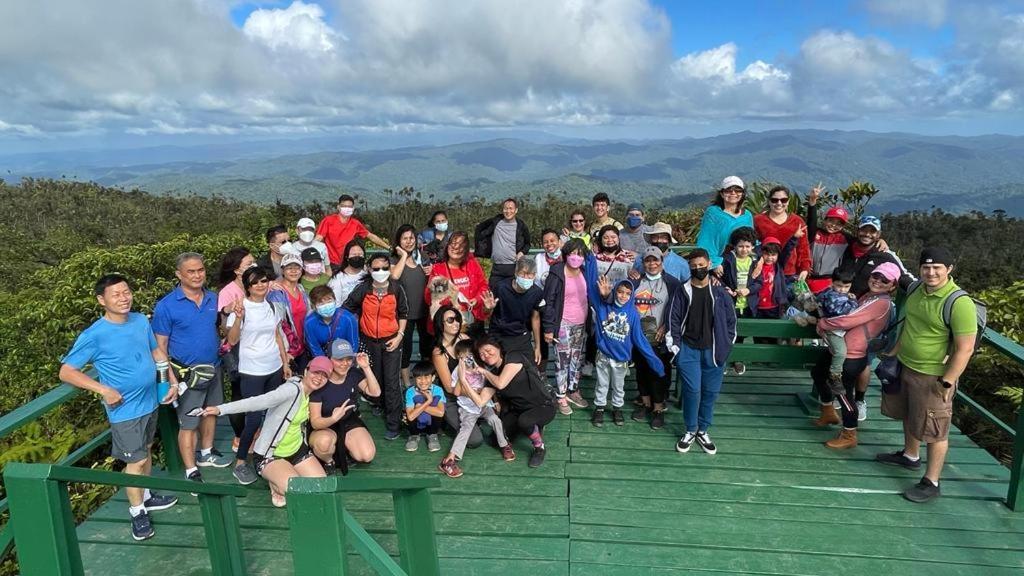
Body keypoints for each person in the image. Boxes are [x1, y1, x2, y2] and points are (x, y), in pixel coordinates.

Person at [59, 274, 179, 541]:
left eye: (126, 292)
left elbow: (156, 353)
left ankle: (146, 494)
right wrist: (103, 389)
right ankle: (137, 512)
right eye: (116, 294)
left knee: (146, 450)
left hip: (150, 401)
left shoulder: (138, 321)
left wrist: (170, 379)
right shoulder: (94, 334)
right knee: (135, 461)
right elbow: (67, 372)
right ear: (102, 300)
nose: (124, 298)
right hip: (124, 409)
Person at [876, 247, 977, 503]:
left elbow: (965, 348)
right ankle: (910, 456)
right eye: (926, 268)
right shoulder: (916, 290)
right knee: (910, 413)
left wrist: (948, 380)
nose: (931, 273)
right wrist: (895, 353)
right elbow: (911, 324)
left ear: (949, 269)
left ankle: (932, 481)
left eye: (937, 268)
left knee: (935, 428)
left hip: (935, 375)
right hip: (907, 365)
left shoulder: (959, 302)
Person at [201, 356, 333, 508]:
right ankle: (275, 483)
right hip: (271, 454)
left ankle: (282, 477)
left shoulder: (310, 394)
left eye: (324, 375)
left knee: (322, 488)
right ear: (306, 371)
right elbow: (258, 401)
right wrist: (221, 409)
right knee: (298, 491)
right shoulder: (290, 390)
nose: (319, 378)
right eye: (316, 372)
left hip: (297, 450)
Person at [151, 253, 232, 492]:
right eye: (191, 271)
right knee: (188, 422)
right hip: (186, 372)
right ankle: (190, 467)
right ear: (179, 274)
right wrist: (172, 380)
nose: (197, 275)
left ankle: (207, 451)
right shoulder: (166, 306)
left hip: (213, 367)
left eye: (201, 270)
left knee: (211, 411)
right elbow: (160, 346)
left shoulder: (212, 298)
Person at [810, 263, 898, 449]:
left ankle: (849, 433)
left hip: (852, 354)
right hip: (841, 349)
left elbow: (848, 320)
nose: (878, 281)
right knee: (818, 373)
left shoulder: (881, 302)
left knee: (843, 394)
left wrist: (823, 323)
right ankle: (828, 412)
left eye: (885, 280)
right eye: (876, 276)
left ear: (893, 285)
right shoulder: (867, 297)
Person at [224, 266, 292, 485]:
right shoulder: (240, 307)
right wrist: (237, 318)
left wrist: (284, 362)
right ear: (247, 286)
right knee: (253, 419)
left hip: (273, 367)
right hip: (251, 371)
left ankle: (268, 453)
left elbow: (277, 335)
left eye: (263, 281)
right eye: (255, 283)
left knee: (274, 413)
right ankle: (241, 462)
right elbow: (232, 340)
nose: (260, 286)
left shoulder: (272, 306)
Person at [583, 250, 665, 428]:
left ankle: (617, 408)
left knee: (618, 387)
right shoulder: (604, 305)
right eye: (620, 292)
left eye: (627, 293)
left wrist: (655, 361)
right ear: (615, 291)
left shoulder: (633, 314)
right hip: (604, 355)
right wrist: (590, 260)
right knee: (602, 384)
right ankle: (599, 408)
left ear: (631, 295)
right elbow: (591, 287)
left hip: (621, 358)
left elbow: (640, 340)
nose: (623, 296)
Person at [670, 248, 737, 455]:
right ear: (689, 267)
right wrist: (676, 349)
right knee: (692, 391)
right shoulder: (682, 290)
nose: (698, 269)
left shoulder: (719, 291)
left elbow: (731, 321)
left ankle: (703, 430)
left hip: (714, 350)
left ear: (708, 265)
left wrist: (727, 346)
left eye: (702, 265)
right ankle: (690, 430)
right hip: (688, 349)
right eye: (694, 266)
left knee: (710, 393)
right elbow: (673, 319)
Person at [343, 253, 409, 441]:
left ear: (390, 269)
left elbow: (403, 313)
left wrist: (399, 336)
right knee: (375, 375)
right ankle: (378, 403)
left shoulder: (396, 288)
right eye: (376, 268)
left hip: (391, 340)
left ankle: (394, 423)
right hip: (369, 341)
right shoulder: (363, 289)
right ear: (369, 269)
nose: (380, 272)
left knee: (391, 381)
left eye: (385, 268)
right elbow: (347, 308)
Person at [474, 337, 557, 468]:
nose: (486, 356)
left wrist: (483, 371)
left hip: (543, 406)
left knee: (525, 421)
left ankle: (539, 447)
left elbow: (500, 383)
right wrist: (463, 379)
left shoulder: (513, 357)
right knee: (496, 440)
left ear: (498, 348)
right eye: (481, 354)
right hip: (519, 410)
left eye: (488, 350)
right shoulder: (492, 375)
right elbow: (481, 401)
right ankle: (531, 428)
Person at [437, 340, 516, 478]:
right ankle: (449, 460)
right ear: (458, 358)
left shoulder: (481, 368)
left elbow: (491, 385)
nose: (466, 360)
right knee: (465, 430)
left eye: (468, 356)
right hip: (467, 408)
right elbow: (455, 392)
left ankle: (504, 445)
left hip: (484, 405)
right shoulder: (457, 371)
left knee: (495, 420)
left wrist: (495, 401)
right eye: (461, 357)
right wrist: (462, 376)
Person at [308, 339, 379, 474]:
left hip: (348, 420)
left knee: (366, 455)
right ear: (330, 359)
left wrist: (366, 367)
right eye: (339, 359)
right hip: (325, 424)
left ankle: (345, 447)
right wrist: (333, 418)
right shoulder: (320, 381)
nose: (344, 364)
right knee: (323, 444)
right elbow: (315, 422)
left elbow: (375, 392)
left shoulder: (353, 374)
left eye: (348, 359)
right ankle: (329, 461)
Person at [628, 247, 680, 430]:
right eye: (648, 261)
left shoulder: (672, 283)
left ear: (662, 262)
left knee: (658, 372)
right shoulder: (635, 281)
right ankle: (646, 403)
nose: (652, 264)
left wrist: (666, 325)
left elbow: (677, 308)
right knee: (641, 370)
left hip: (660, 336)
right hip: (638, 335)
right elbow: (624, 301)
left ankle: (659, 408)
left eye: (655, 260)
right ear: (643, 263)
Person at [542, 239, 591, 415]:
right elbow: (548, 303)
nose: (576, 257)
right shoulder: (556, 273)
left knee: (576, 358)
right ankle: (561, 395)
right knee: (562, 360)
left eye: (580, 254)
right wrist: (548, 328)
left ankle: (573, 389)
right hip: (562, 323)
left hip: (581, 323)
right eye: (572, 253)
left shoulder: (585, 272)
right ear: (565, 255)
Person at [214, 247, 254, 453]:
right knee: (239, 393)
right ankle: (239, 437)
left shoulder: (255, 284)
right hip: (237, 349)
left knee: (255, 392)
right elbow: (224, 325)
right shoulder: (228, 292)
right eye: (249, 264)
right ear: (237, 270)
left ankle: (254, 432)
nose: (253, 266)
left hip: (256, 348)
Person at [431, 305, 488, 449]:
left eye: (457, 319)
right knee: (475, 440)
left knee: (499, 421)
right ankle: (447, 421)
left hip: (474, 390)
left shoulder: (465, 338)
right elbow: (450, 388)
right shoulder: (439, 352)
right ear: (440, 324)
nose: (456, 323)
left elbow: (480, 365)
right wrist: (476, 394)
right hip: (453, 398)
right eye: (450, 320)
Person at [392, 224, 434, 388]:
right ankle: (407, 382)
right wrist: (403, 256)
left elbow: (432, 279)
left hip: (424, 310)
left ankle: (426, 379)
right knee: (406, 348)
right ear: (399, 241)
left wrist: (432, 271)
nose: (409, 241)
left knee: (426, 347)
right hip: (404, 314)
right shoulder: (394, 259)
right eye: (405, 238)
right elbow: (394, 277)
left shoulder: (423, 257)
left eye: (411, 238)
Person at [425, 232, 490, 335]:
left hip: (471, 321)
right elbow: (428, 298)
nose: (456, 247)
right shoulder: (438, 269)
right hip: (448, 323)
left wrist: (477, 299)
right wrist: (450, 296)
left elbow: (483, 286)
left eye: (461, 245)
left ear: (466, 249)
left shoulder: (473, 264)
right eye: (453, 243)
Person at [838, 215, 912, 297]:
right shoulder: (846, 245)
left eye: (872, 231)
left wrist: (919, 290)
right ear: (857, 230)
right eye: (863, 230)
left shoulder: (884, 254)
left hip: (866, 305)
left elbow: (904, 277)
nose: (867, 234)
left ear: (878, 234)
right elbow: (832, 230)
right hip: (839, 302)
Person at [489, 258, 545, 365]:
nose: (526, 277)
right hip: (499, 333)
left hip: (521, 335)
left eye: (530, 275)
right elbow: (488, 311)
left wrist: (537, 347)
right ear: (516, 273)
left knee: (530, 368)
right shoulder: (501, 287)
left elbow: (535, 318)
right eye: (523, 273)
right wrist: (488, 308)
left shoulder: (537, 293)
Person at [697, 176, 755, 276]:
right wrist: (715, 263)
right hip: (720, 266)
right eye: (729, 190)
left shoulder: (747, 216)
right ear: (722, 193)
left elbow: (752, 240)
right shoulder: (713, 213)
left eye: (737, 190)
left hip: (742, 266)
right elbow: (705, 240)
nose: (733, 193)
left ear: (742, 193)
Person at [753, 186, 811, 285]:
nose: (779, 203)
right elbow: (753, 245)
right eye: (774, 200)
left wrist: (805, 268)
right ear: (769, 201)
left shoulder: (797, 221)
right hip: (764, 271)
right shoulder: (758, 220)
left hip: (790, 273)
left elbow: (803, 248)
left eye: (783, 200)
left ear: (788, 201)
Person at [315, 194, 389, 271]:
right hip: (331, 264)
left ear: (353, 208)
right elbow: (318, 238)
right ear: (338, 207)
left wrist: (388, 248)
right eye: (344, 206)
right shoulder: (328, 221)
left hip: (349, 263)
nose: (347, 208)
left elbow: (371, 236)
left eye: (350, 206)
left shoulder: (355, 224)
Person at [816, 268, 860, 390]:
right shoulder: (833, 296)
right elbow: (841, 311)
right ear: (832, 282)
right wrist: (853, 301)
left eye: (846, 287)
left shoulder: (833, 293)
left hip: (839, 328)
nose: (842, 290)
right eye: (839, 286)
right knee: (841, 352)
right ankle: (834, 375)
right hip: (833, 329)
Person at [267, 252, 310, 374]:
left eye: (297, 267)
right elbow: (276, 325)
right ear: (282, 270)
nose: (294, 271)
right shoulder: (277, 294)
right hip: (288, 349)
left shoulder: (301, 289)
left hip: (302, 346)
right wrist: (284, 352)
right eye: (289, 268)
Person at [474, 198, 531, 289]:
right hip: (497, 267)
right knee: (493, 294)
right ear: (502, 210)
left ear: (516, 210)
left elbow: (528, 244)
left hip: (514, 267)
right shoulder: (495, 222)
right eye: (506, 208)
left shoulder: (521, 226)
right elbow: (480, 229)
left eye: (511, 208)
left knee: (511, 296)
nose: (508, 211)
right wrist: (481, 250)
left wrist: (522, 252)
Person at [746, 234, 800, 319]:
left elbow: (787, 251)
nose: (770, 258)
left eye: (773, 255)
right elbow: (755, 251)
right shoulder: (756, 265)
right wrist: (760, 257)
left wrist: (794, 238)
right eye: (766, 254)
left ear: (778, 255)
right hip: (758, 306)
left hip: (774, 306)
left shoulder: (778, 266)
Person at [303, 285, 360, 358]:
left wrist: (346, 362)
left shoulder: (348, 318)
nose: (326, 305)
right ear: (314, 306)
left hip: (346, 354)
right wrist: (325, 365)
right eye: (321, 303)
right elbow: (315, 348)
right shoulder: (309, 323)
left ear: (335, 301)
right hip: (323, 356)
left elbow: (354, 345)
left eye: (329, 300)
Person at [405, 361, 446, 452]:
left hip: (432, 424)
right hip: (415, 424)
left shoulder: (438, 390)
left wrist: (421, 406)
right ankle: (414, 435)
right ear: (414, 378)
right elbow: (411, 417)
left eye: (427, 377)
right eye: (419, 378)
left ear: (433, 377)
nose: (423, 381)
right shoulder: (410, 392)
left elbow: (440, 413)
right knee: (406, 414)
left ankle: (432, 434)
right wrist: (427, 402)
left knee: (435, 403)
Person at [327, 239, 367, 305]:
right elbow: (336, 305)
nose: (357, 257)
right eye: (354, 255)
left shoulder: (368, 274)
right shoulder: (337, 279)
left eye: (360, 254)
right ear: (347, 257)